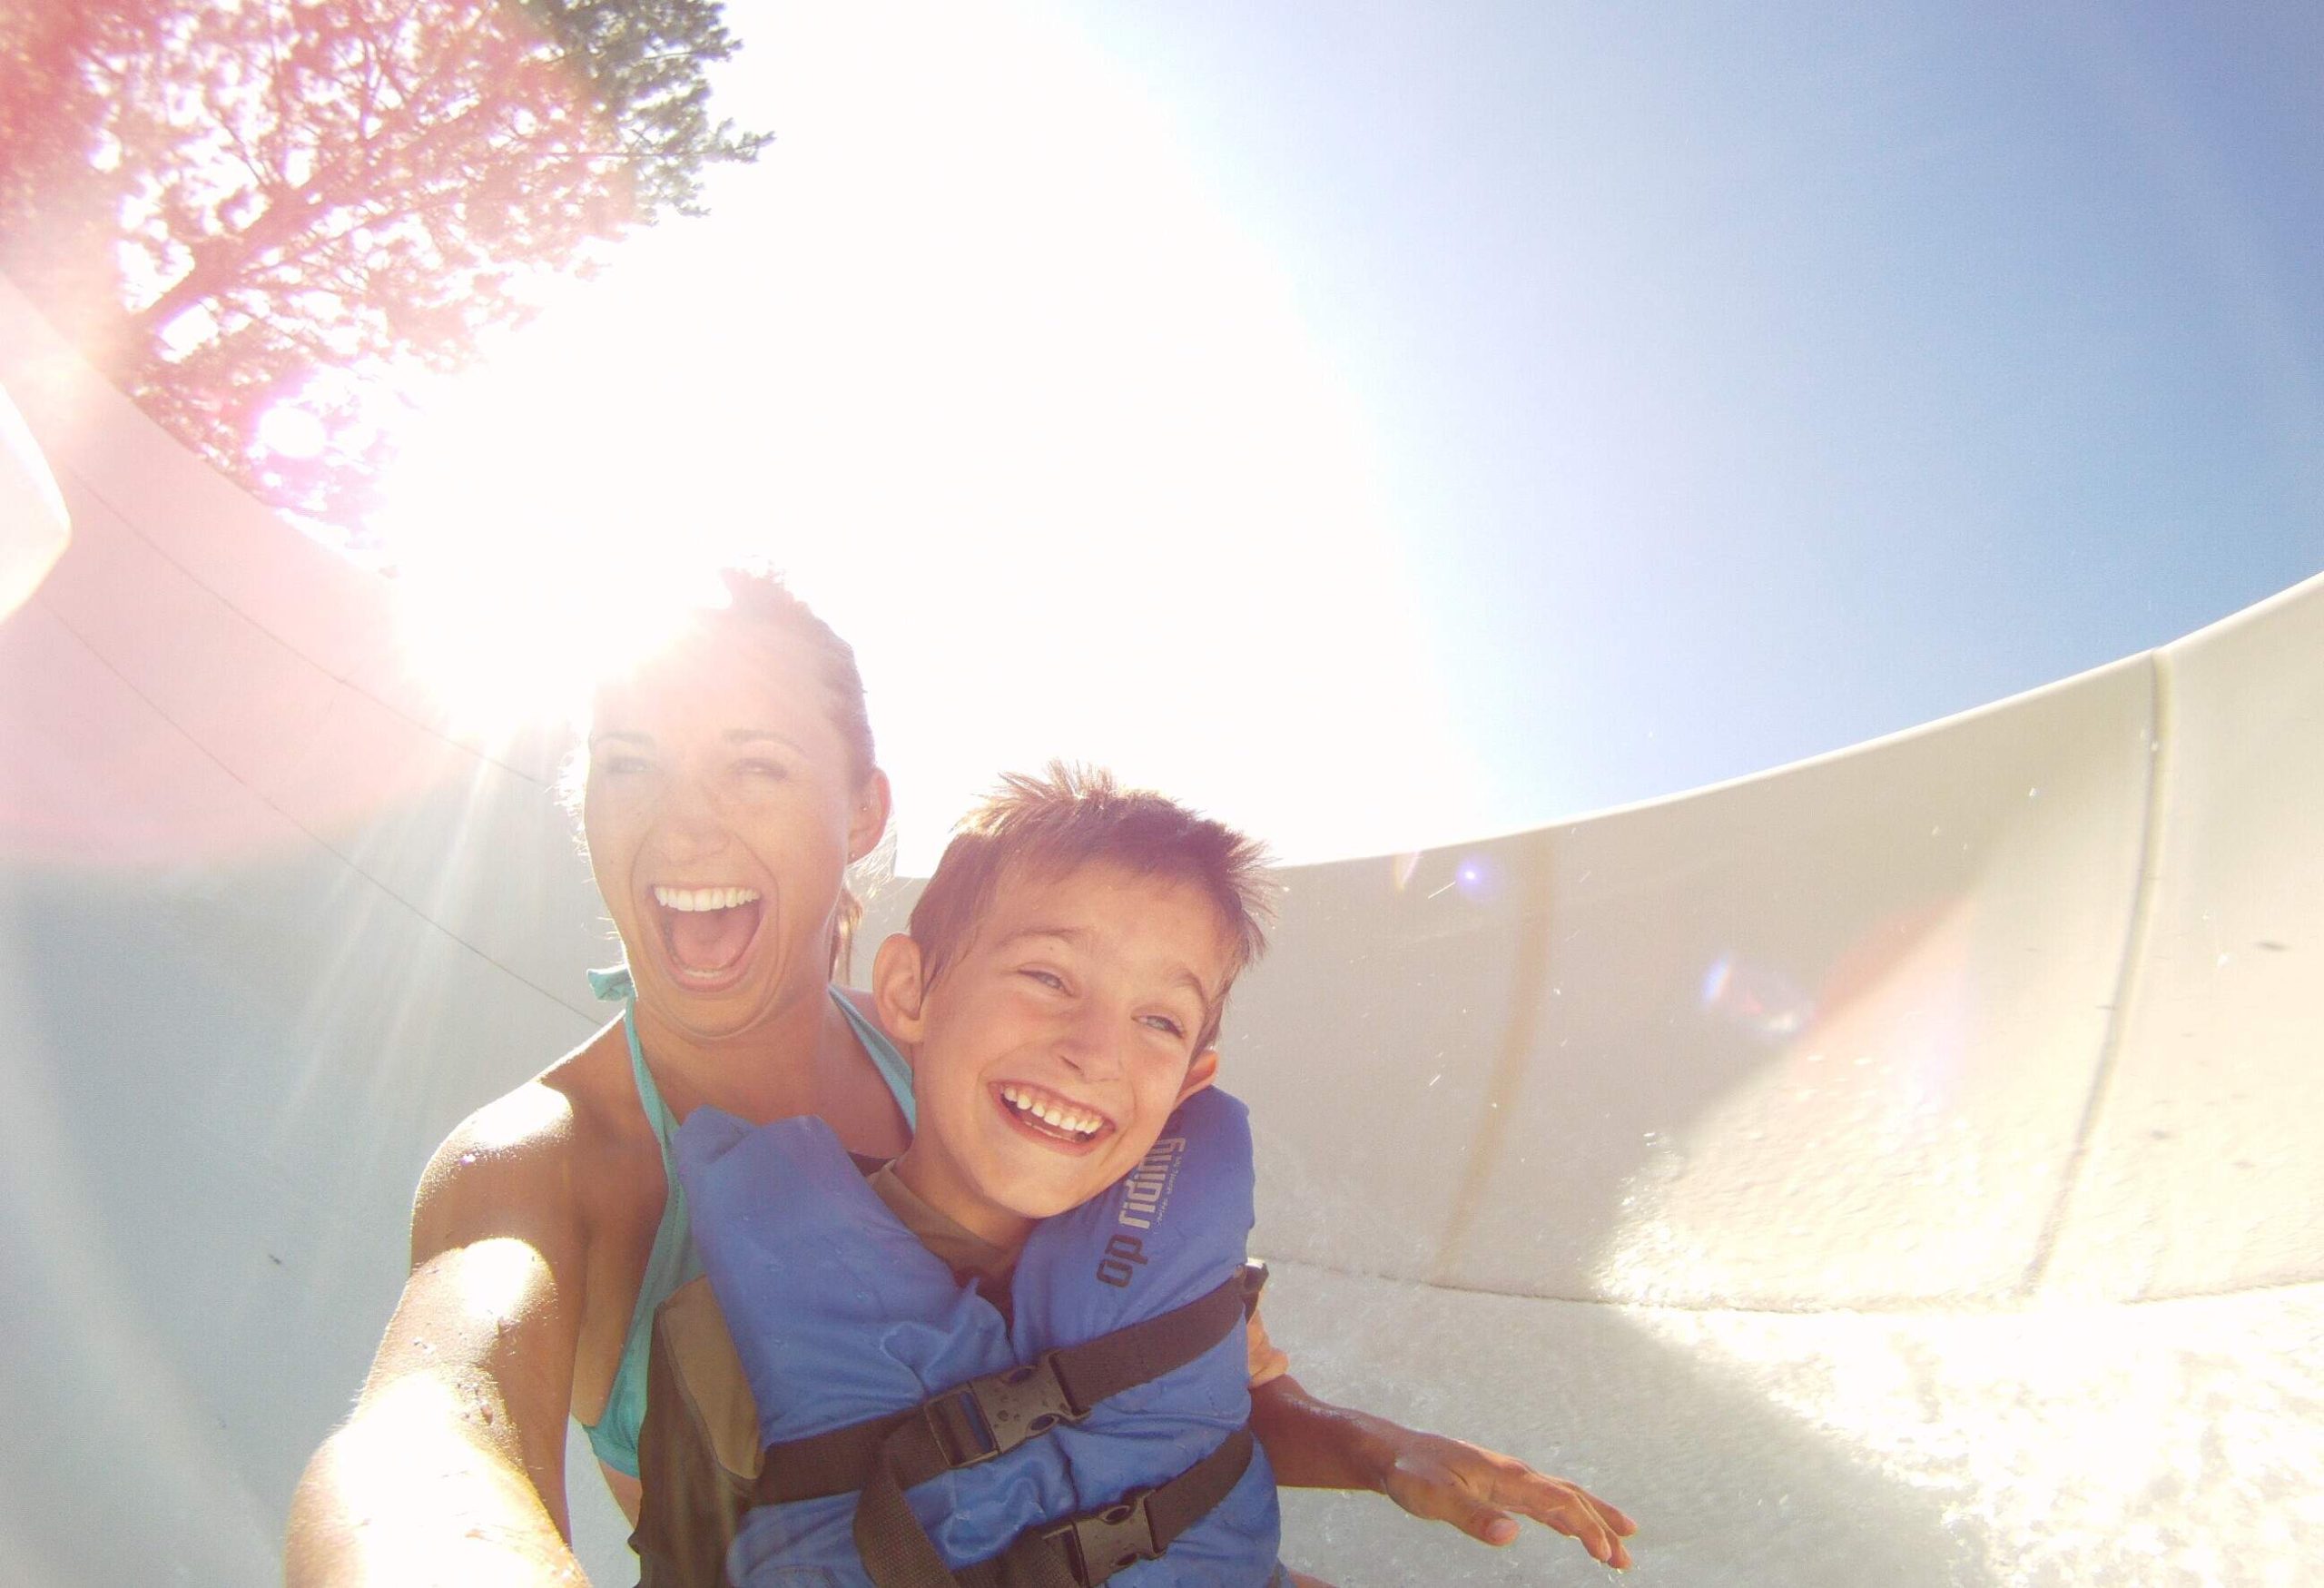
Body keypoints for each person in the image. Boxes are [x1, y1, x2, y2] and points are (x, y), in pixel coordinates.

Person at [282, 570, 1636, 1584]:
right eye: (629, 767)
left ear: (863, 814)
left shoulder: (982, 1054)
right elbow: (423, 1440)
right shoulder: (541, 1160)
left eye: (753, 767)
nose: (683, 819)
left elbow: (1154, 1379)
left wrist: (1365, 1442)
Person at [672, 764, 1287, 1585]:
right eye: (1048, 976)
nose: (1095, 1052)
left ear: (1188, 1082)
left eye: (1157, 1019)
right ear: (910, 991)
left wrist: (1378, 1450)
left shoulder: (1194, 1289)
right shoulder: (721, 1334)